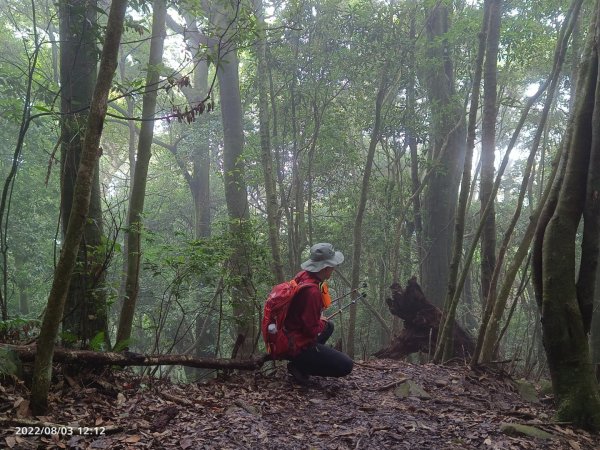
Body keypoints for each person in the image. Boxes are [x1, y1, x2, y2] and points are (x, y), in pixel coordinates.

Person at [285, 242, 354, 384]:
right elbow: (310, 330)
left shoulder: (303, 276)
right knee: (347, 365)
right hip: (297, 344)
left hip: (289, 334)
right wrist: (320, 321)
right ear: (326, 267)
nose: (334, 269)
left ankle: (306, 360)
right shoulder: (312, 292)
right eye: (332, 266)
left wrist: (321, 322)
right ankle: (301, 365)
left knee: (330, 325)